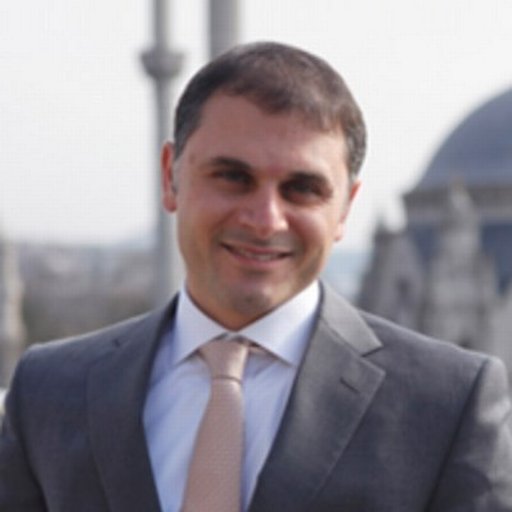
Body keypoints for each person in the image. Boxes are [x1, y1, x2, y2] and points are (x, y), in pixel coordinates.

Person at [1, 41, 511, 512]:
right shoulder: (49, 392)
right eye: (233, 177)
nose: (265, 220)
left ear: (345, 208)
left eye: (302, 188)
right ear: (170, 175)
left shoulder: (446, 406)